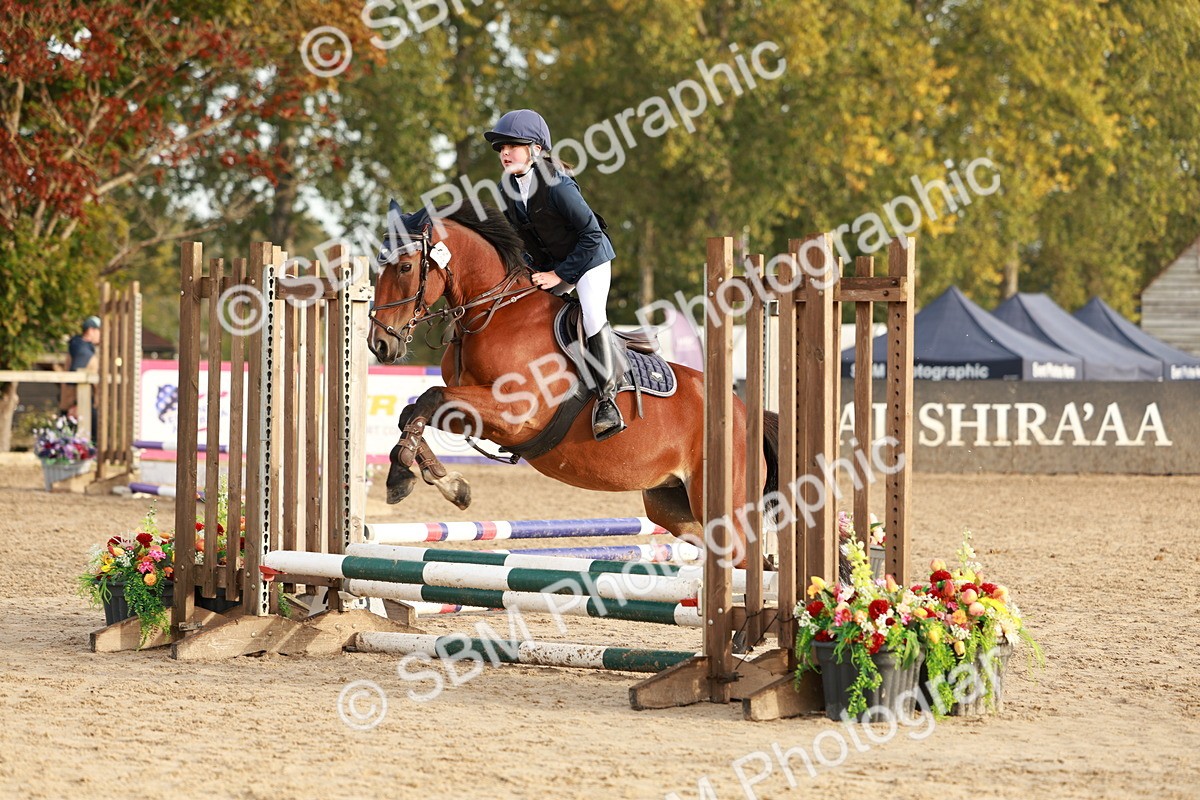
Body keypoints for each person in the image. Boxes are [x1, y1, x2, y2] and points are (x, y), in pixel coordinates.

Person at [483, 109, 625, 441]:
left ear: (535, 149)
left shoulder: (558, 185)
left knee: (591, 314)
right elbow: (524, 240)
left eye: (512, 146)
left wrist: (558, 274)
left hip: (590, 260)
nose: (504, 153)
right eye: (501, 147)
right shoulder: (507, 189)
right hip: (554, 266)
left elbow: (590, 234)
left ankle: (608, 400)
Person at [60, 315, 101, 432]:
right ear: (91, 330)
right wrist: (75, 405)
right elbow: (76, 378)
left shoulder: (79, 347)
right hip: (81, 405)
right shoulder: (83, 351)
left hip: (77, 404)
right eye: (99, 331)